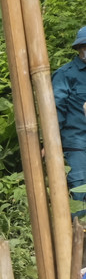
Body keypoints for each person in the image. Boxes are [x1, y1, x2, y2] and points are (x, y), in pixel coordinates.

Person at [52, 25, 86, 216]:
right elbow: (54, 111)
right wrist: (47, 143)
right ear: (79, 48)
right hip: (77, 147)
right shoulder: (66, 75)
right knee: (81, 197)